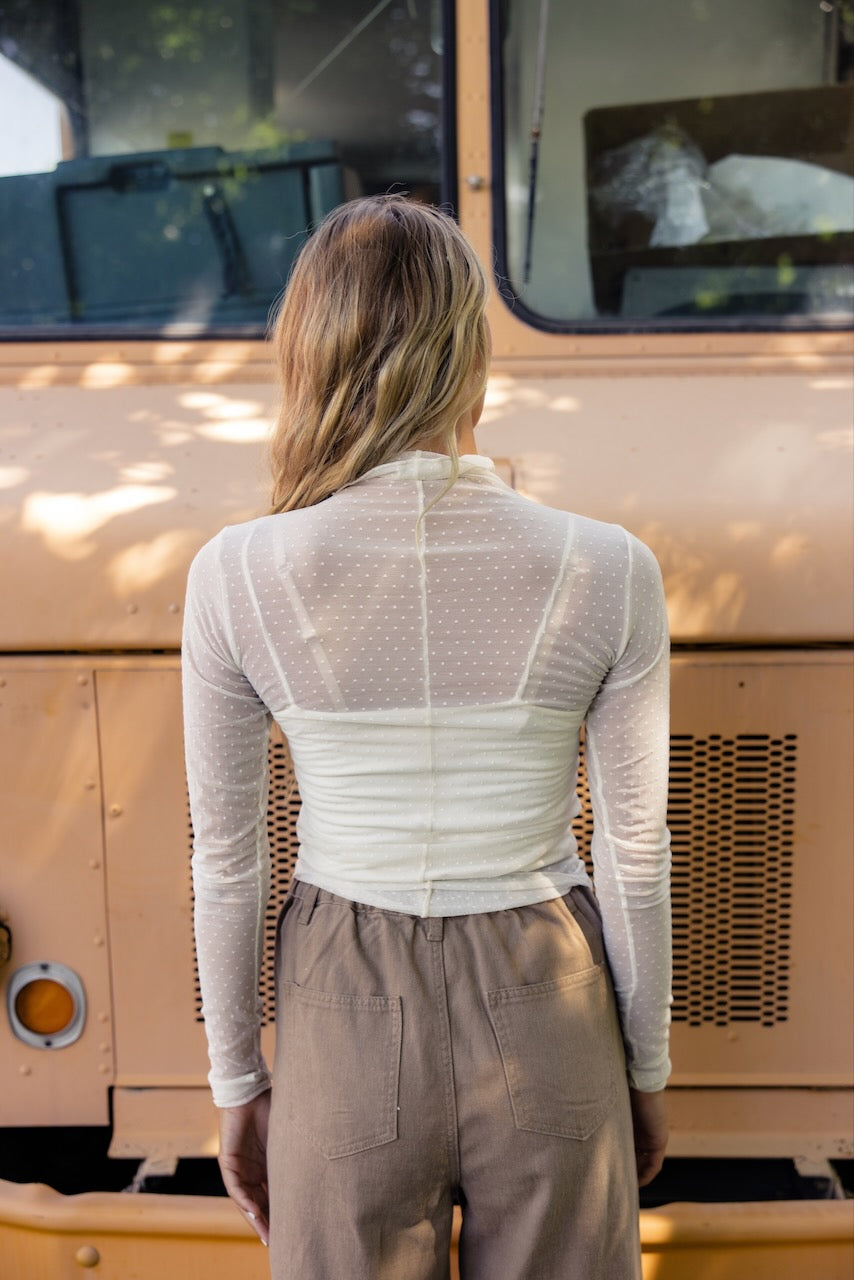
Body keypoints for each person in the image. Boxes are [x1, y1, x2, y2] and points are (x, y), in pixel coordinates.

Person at [182, 195, 671, 1280]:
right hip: (548, 993)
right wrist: (644, 1064)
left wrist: (234, 1083)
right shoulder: (608, 566)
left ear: (309, 346)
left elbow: (228, 858)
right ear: (471, 348)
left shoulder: (236, 572)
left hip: (340, 1003)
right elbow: (635, 852)